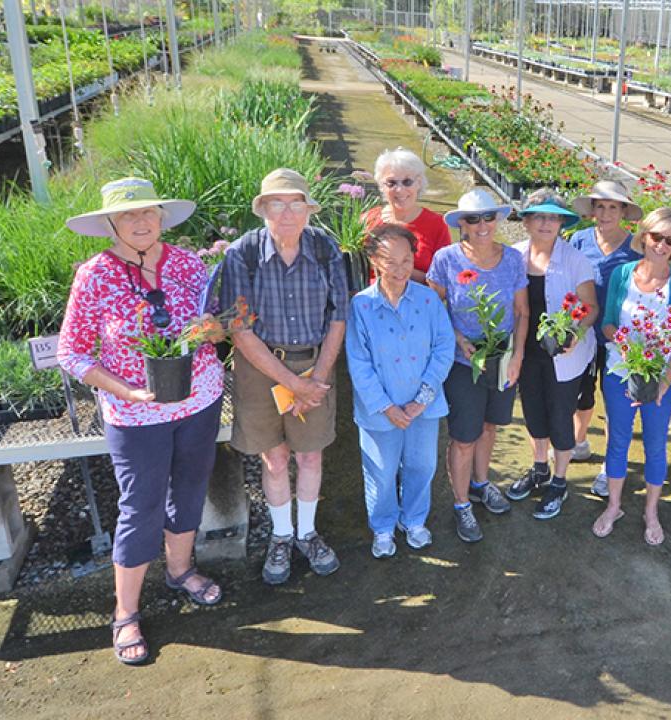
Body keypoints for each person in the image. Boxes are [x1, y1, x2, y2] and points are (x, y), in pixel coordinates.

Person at [59, 178, 224, 665]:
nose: (140, 222)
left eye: (148, 212)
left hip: (200, 401)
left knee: (191, 487)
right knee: (141, 504)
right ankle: (125, 612)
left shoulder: (190, 264)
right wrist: (124, 389)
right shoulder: (95, 276)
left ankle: (179, 570)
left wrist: (216, 330)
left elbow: (214, 323)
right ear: (111, 223)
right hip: (134, 414)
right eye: (128, 215)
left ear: (161, 217)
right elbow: (72, 351)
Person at [219, 168, 349, 585]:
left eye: (297, 203)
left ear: (308, 210)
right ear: (264, 210)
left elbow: (338, 320)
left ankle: (307, 532)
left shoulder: (326, 250)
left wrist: (317, 379)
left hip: (316, 364)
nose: (288, 212)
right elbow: (240, 330)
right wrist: (295, 385)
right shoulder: (243, 254)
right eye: (278, 203)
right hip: (261, 370)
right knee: (274, 458)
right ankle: (281, 535)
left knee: (310, 454)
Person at [346, 224, 455, 557]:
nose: (399, 269)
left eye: (406, 260)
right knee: (381, 472)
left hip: (423, 405)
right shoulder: (361, 306)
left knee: (423, 466)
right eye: (389, 261)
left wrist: (422, 398)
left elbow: (444, 346)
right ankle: (382, 527)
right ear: (374, 261)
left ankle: (414, 520)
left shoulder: (427, 298)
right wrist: (386, 407)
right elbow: (358, 361)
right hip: (380, 410)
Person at [590, 207, 671, 546]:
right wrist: (620, 338)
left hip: (659, 380)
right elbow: (607, 321)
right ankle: (615, 506)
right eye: (656, 237)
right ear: (644, 236)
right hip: (620, 373)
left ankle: (651, 512)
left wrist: (663, 385)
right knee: (617, 442)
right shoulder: (623, 274)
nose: (661, 245)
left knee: (655, 446)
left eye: (670, 240)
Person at [427, 189, 528, 542]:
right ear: (462, 225)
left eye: (488, 217)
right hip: (462, 361)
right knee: (463, 436)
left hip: (501, 357)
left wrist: (517, 357)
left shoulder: (513, 259)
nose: (482, 225)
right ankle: (460, 505)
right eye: (473, 219)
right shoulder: (447, 259)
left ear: (497, 219)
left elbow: (522, 312)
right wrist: (458, 338)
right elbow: (434, 307)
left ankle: (481, 484)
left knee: (489, 426)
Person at [505, 190, 599, 520]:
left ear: (561, 223)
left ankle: (559, 482)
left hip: (565, 355)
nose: (546, 223)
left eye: (553, 217)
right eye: (540, 216)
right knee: (533, 412)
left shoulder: (575, 260)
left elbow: (590, 307)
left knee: (560, 417)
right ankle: (540, 469)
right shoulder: (514, 256)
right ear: (527, 220)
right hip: (525, 351)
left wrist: (575, 332)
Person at [568, 181, 644, 486]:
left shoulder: (635, 247)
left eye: (613, 207)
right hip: (585, 331)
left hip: (619, 336)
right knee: (582, 393)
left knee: (616, 401)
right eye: (600, 206)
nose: (605, 213)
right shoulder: (579, 240)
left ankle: (611, 465)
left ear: (624, 211)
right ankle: (580, 442)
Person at [362, 147, 451, 282]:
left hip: (420, 301)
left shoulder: (436, 224)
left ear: (419, 183)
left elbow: (443, 281)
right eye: (391, 183)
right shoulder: (367, 220)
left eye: (407, 182)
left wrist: (393, 269)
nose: (399, 189)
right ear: (381, 186)